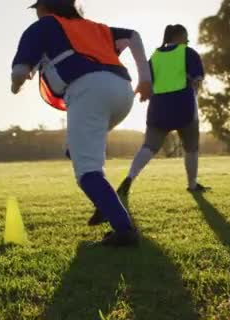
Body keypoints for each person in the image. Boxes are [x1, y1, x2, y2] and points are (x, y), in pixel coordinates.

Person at [10, 0, 152, 246]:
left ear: (44, 7)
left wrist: (15, 86)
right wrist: (146, 78)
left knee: (87, 171)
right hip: (122, 92)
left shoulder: (43, 26)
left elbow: (19, 73)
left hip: (88, 91)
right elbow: (133, 35)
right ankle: (104, 202)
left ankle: (124, 230)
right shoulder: (95, 28)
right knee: (74, 148)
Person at [87, 24, 209, 226]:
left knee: (149, 146)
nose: (187, 42)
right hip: (184, 106)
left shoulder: (155, 57)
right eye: (186, 39)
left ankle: (129, 178)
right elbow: (197, 80)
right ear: (180, 37)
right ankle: (192, 185)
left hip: (159, 108)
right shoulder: (188, 53)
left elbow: (147, 83)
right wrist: (193, 90)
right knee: (191, 146)